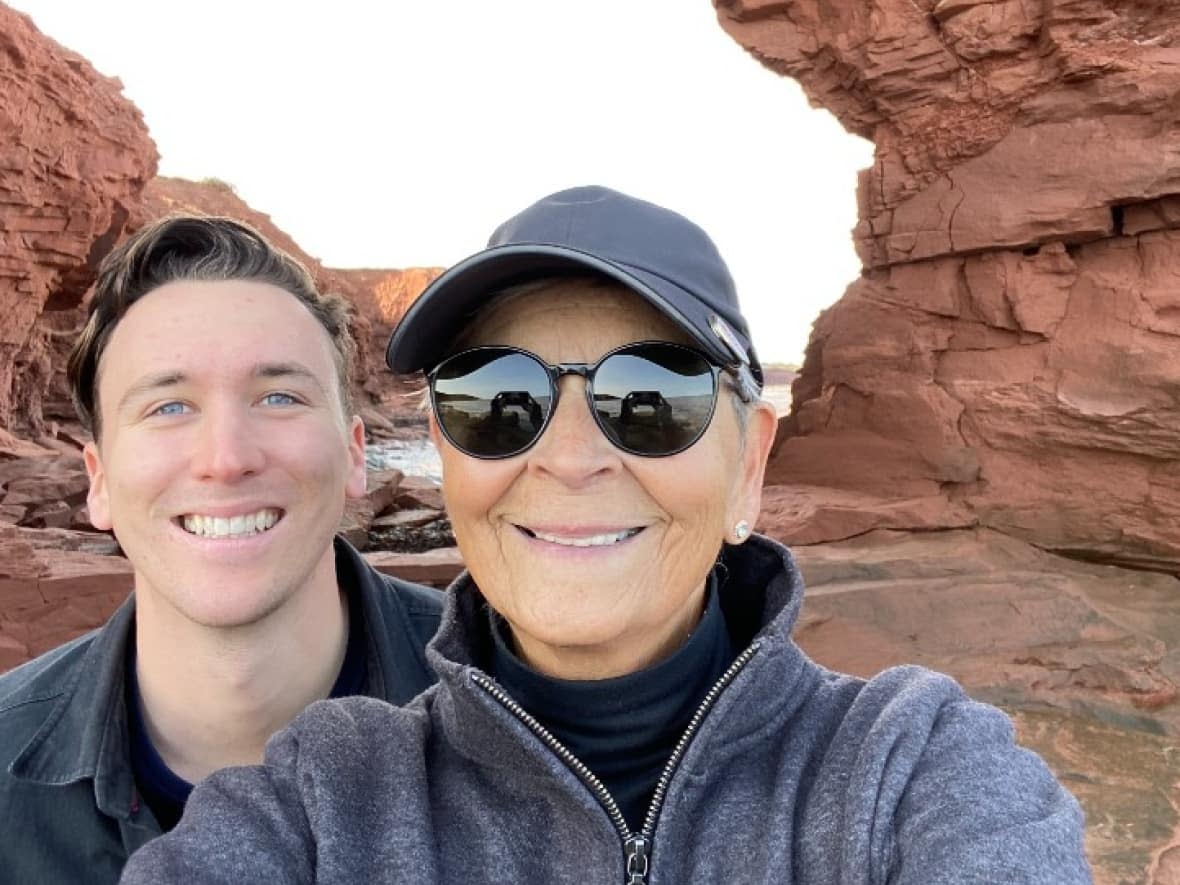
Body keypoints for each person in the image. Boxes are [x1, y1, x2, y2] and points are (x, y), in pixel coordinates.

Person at [122, 188, 1091, 884]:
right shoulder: (324, 801)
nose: (570, 458)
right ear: (449, 457)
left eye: (651, 397)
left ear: (748, 463)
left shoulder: (907, 770)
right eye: (500, 399)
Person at [0, 216, 444, 883]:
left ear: (355, 453)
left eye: (279, 396)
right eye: (168, 407)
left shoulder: (528, 715)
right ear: (99, 481)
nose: (226, 459)